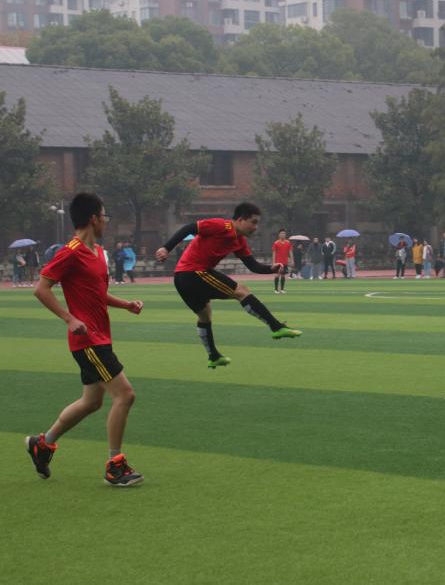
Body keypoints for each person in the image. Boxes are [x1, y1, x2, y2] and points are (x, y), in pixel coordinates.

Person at [27, 192, 144, 486]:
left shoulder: (97, 253)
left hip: (101, 337)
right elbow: (41, 289)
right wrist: (69, 318)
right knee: (125, 395)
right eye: (104, 216)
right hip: (87, 340)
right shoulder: (70, 251)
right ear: (93, 219)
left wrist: (126, 305)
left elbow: (97, 294)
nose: (106, 221)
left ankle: (43, 444)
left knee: (91, 402)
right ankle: (115, 466)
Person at [155, 202, 302, 369]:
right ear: (240, 220)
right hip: (193, 273)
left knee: (205, 315)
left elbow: (253, 266)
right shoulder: (221, 226)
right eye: (253, 222)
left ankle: (213, 356)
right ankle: (276, 327)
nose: (256, 227)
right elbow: (189, 228)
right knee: (242, 291)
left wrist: (271, 268)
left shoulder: (240, 241)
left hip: (182, 276)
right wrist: (166, 248)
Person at [271, 229, 292, 294]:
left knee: (283, 275)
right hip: (278, 262)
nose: (283, 235)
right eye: (282, 233)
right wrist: (273, 262)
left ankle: (282, 289)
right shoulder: (276, 243)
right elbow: (274, 253)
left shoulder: (288, 242)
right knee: (277, 275)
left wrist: (292, 260)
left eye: (284, 233)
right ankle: (276, 290)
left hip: (285, 262)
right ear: (279, 235)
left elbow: (290, 252)